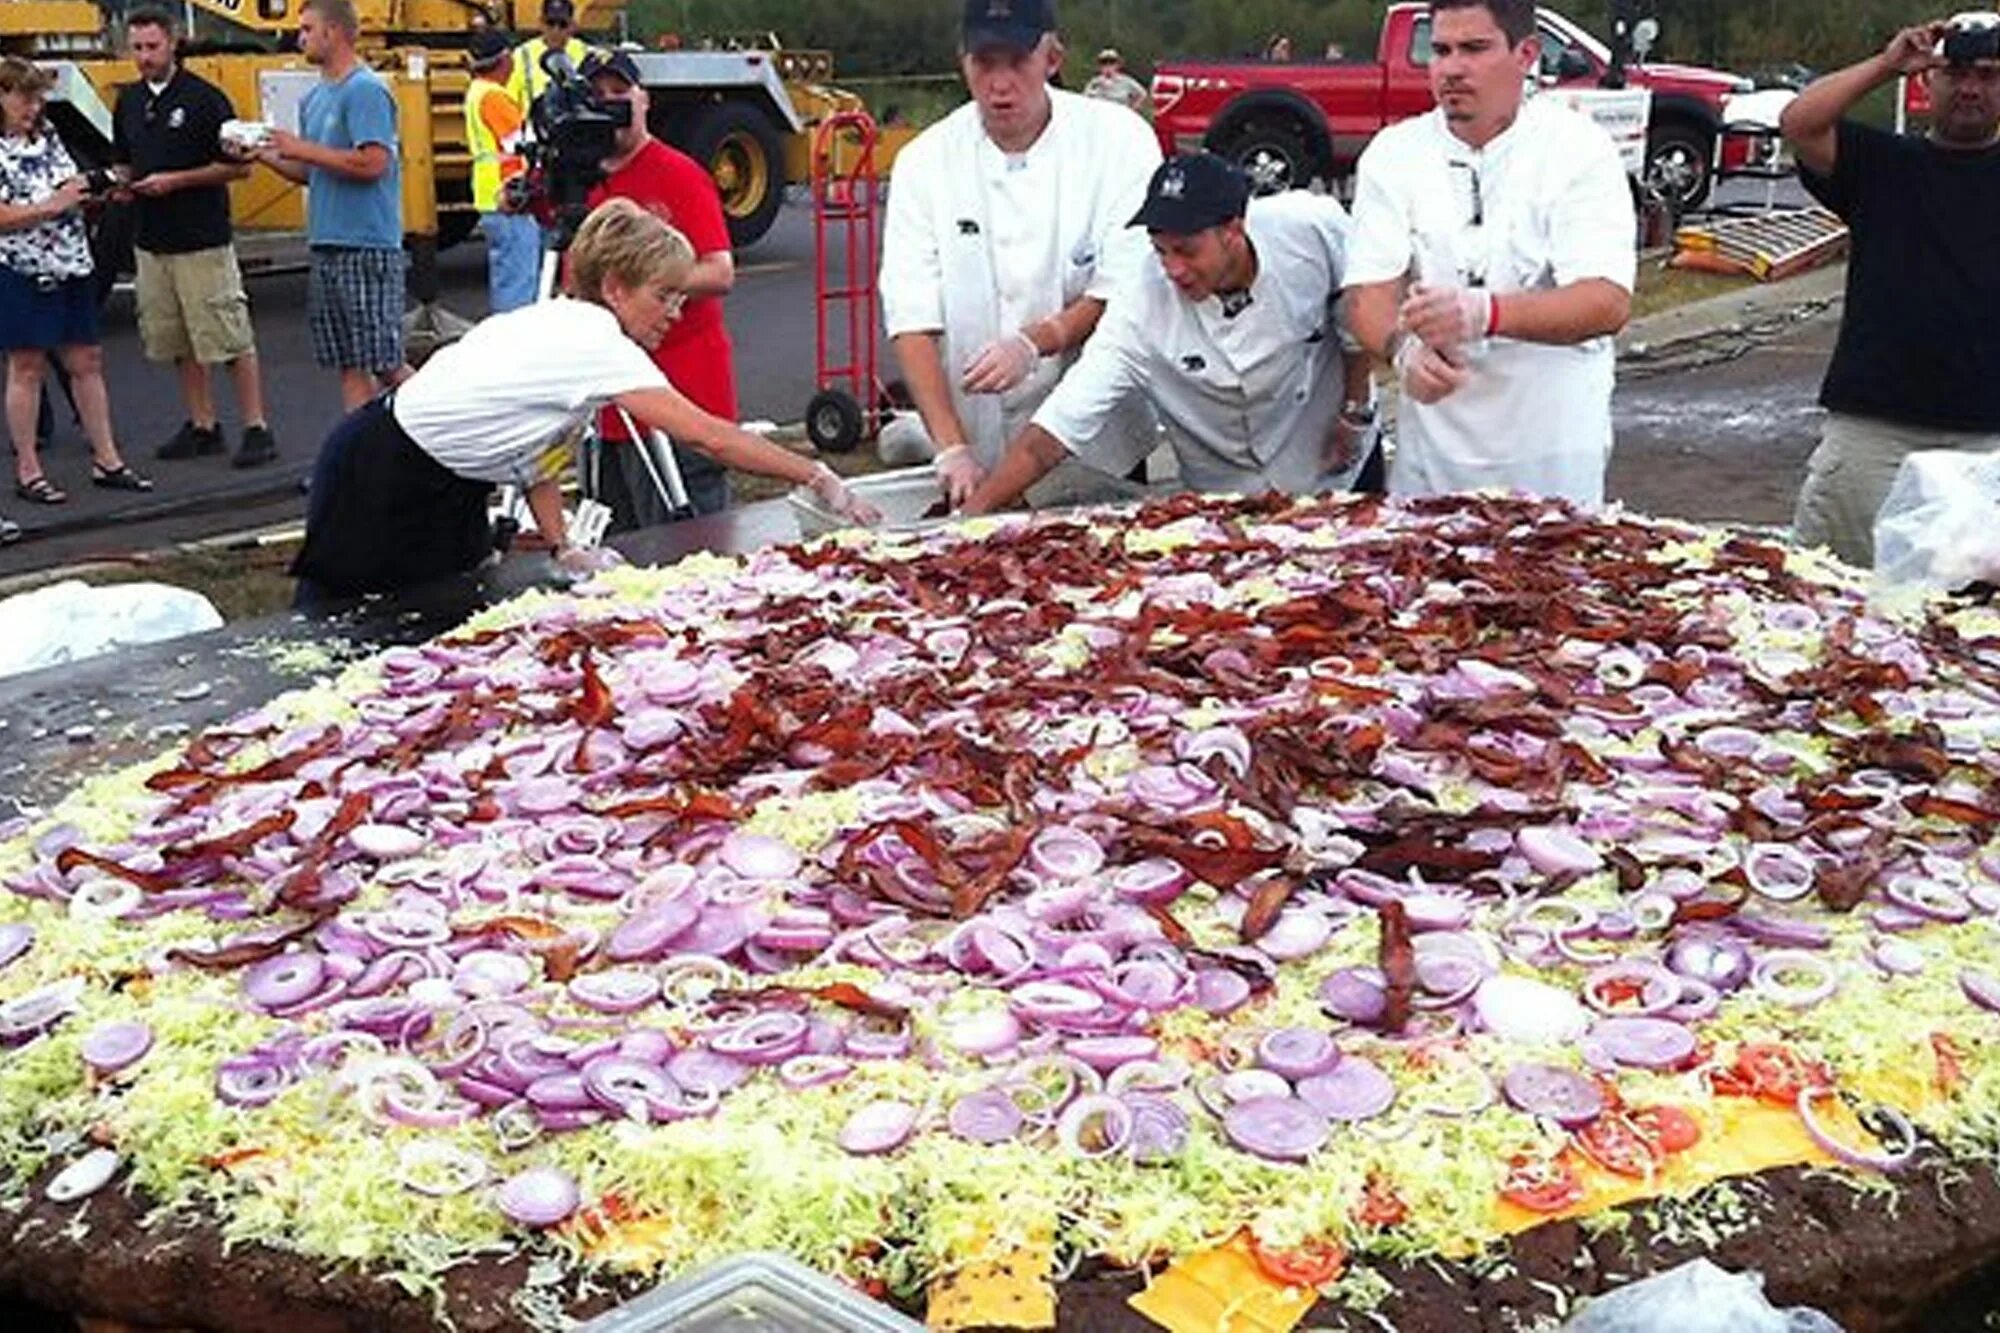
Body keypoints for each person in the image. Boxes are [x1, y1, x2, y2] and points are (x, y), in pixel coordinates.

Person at [290, 198, 878, 600]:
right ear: (616, 289)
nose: (676, 312)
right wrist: (816, 473)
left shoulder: (567, 328)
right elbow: (708, 435)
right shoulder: (594, 341)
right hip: (383, 475)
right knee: (356, 627)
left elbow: (538, 447)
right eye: (664, 295)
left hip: (436, 475)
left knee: (451, 610)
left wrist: (562, 545)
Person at [962, 154, 1376, 514]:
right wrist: (972, 515)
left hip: (1334, 467)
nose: (1173, 269)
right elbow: (1057, 430)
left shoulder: (1310, 230)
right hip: (1225, 499)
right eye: (1161, 250)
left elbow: (1354, 316)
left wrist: (1355, 410)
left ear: (1233, 230)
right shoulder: (1140, 301)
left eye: (1187, 251)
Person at [1344, 0, 1633, 504]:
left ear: (1526, 54)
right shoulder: (1393, 154)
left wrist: (1487, 312)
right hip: (1432, 464)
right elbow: (1367, 293)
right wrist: (1400, 349)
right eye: (1439, 50)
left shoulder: (1578, 150)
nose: (1452, 68)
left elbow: (1606, 302)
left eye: (1475, 49)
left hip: (1554, 461)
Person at [880, 0, 1162, 508]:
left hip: (1099, 439)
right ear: (962, 61)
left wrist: (1035, 342)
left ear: (1052, 58)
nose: (1000, 84)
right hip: (977, 435)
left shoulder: (1118, 140)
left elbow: (1126, 288)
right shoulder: (925, 162)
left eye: (1017, 62)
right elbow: (911, 314)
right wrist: (949, 446)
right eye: (984, 63)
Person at [1779, 16, 2000, 567]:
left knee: (1976, 627)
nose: (1971, 88)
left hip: (1989, 446)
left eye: (1990, 75)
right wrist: (1886, 64)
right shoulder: (1880, 164)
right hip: (1872, 436)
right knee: (1831, 597)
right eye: (1955, 73)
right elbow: (1800, 123)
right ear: (1929, 81)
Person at [113, 7, 276, 469]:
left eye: (152, 47)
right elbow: (125, 159)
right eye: (137, 48)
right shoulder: (128, 101)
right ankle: (202, 424)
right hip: (152, 240)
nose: (144, 57)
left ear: (174, 44)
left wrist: (177, 180)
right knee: (176, 338)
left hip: (201, 238)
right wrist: (117, 185)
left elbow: (238, 166)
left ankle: (256, 426)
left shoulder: (205, 100)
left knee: (228, 334)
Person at [581, 47, 738, 527]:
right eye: (598, 95)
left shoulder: (679, 175)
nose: (611, 105)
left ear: (644, 100)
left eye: (620, 92)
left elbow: (719, 271)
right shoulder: (579, 180)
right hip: (610, 410)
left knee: (689, 546)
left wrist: (649, 280)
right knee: (620, 552)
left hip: (683, 396)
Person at [0, 57, 150, 512]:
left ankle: (107, 458)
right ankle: (29, 469)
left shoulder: (47, 138)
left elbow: (68, 183)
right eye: (24, 98)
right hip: (23, 267)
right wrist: (53, 205)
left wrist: (94, 188)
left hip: (71, 261)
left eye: (38, 98)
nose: (33, 107)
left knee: (86, 359)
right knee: (27, 365)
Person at [243, 0, 408, 412]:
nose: (299, 37)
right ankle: (358, 458)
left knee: (385, 361)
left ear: (333, 32)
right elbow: (308, 171)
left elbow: (374, 163)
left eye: (306, 29)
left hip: (367, 244)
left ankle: (446, 427)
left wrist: (302, 148)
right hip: (326, 242)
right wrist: (260, 154)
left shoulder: (366, 90)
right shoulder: (314, 98)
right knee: (348, 363)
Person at [464, 29, 537, 314]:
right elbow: (522, 145)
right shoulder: (494, 97)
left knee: (506, 277)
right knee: (518, 283)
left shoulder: (477, 91)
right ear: (505, 59)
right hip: (510, 195)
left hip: (491, 194)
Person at [509, 0, 590, 108]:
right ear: (540, 23)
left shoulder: (587, 53)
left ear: (573, 26)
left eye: (563, 24)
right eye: (550, 23)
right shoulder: (521, 55)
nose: (556, 30)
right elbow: (511, 99)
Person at [1084, 48, 1148, 114]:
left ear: (1117, 65)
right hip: (1101, 115)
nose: (1108, 66)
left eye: (1112, 62)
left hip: (1119, 116)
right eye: (1104, 63)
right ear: (1100, 66)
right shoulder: (1095, 82)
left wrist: (1132, 108)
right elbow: (1085, 98)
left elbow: (1143, 94)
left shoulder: (1126, 81)